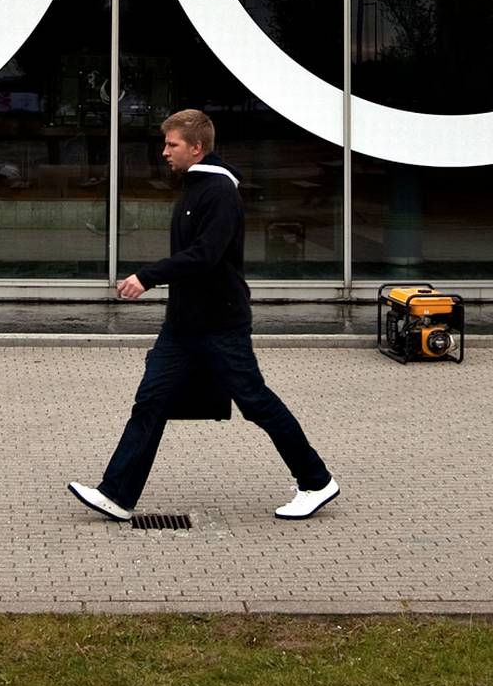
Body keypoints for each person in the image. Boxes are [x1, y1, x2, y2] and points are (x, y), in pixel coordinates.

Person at [68, 109, 339, 523]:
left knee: (256, 403)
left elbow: (205, 256)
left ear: (196, 147)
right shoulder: (195, 187)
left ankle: (316, 481)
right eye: (165, 144)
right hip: (183, 325)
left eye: (172, 145)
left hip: (220, 323)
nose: (164, 153)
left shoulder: (218, 193)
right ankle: (117, 495)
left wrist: (147, 276)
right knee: (151, 401)